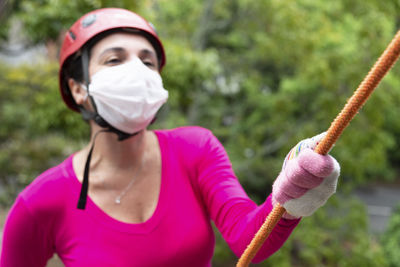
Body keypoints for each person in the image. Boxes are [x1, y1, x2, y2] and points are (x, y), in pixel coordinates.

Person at [0, 7, 340, 267]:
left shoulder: (195, 150)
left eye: (148, 62)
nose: (136, 70)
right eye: (115, 59)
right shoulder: (40, 203)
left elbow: (247, 237)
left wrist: (290, 198)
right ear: (77, 89)